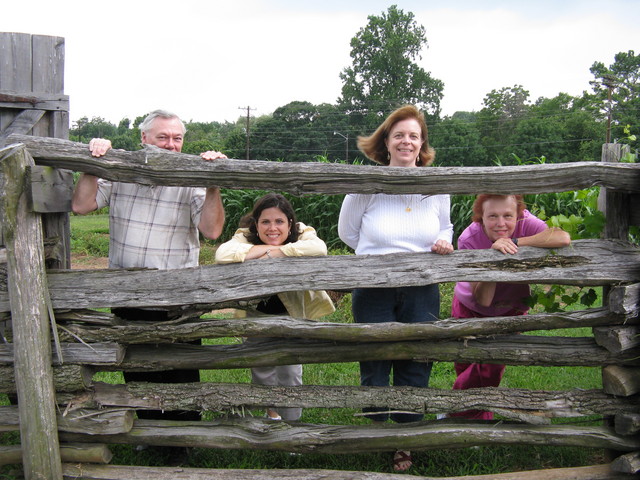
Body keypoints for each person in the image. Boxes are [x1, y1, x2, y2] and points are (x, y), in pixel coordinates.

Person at [71, 109, 226, 423]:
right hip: (129, 297)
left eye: (177, 138)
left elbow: (211, 230)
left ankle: (182, 438)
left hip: (178, 299)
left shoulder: (192, 176)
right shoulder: (121, 170)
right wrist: (92, 162)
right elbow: (81, 205)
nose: (171, 145)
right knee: (138, 370)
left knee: (181, 372)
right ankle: (149, 433)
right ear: (144, 138)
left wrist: (213, 182)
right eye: (163, 137)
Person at [337, 105, 453, 472]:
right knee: (376, 357)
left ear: (422, 145)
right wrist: (380, 259)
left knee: (415, 358)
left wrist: (442, 241)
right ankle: (378, 429)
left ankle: (404, 438)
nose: (407, 141)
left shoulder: (436, 187)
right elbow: (348, 232)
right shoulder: (367, 185)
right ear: (386, 142)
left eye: (414, 136)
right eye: (399, 134)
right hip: (373, 286)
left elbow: (446, 228)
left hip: (422, 287)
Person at [449, 194, 571, 420]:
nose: (501, 224)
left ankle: (457, 411)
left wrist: (515, 243)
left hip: (510, 307)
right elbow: (483, 300)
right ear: (481, 218)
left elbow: (562, 238)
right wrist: (494, 259)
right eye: (492, 216)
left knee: (490, 367)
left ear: (519, 214)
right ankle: (478, 415)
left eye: (508, 216)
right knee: (465, 364)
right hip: (470, 305)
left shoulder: (527, 223)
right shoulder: (469, 238)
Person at [215, 193, 335, 421]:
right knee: (262, 369)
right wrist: (264, 249)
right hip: (256, 315)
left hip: (292, 316)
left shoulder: (302, 233)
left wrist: (276, 252)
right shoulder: (244, 236)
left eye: (279, 221)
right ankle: (272, 415)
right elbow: (222, 254)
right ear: (256, 224)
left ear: (290, 224)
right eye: (265, 222)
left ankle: (291, 423)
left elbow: (319, 248)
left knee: (290, 371)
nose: (272, 228)